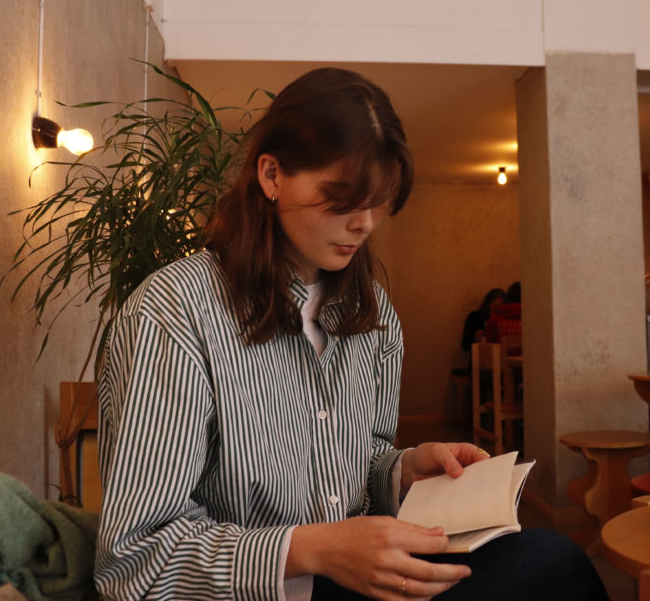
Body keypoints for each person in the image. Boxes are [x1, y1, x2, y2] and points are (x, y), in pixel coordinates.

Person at [94, 68, 608, 601]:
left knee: (552, 562)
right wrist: (310, 550)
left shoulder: (372, 314)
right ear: (271, 175)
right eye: (341, 197)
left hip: (356, 582)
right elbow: (135, 561)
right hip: (259, 592)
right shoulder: (174, 313)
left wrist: (403, 468)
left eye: (380, 201)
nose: (364, 223)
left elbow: (354, 464)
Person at [459, 288, 505, 352]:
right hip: (478, 360)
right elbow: (465, 346)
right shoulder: (475, 317)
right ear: (488, 304)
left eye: (500, 307)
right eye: (495, 306)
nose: (496, 309)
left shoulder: (504, 321)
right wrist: (475, 340)